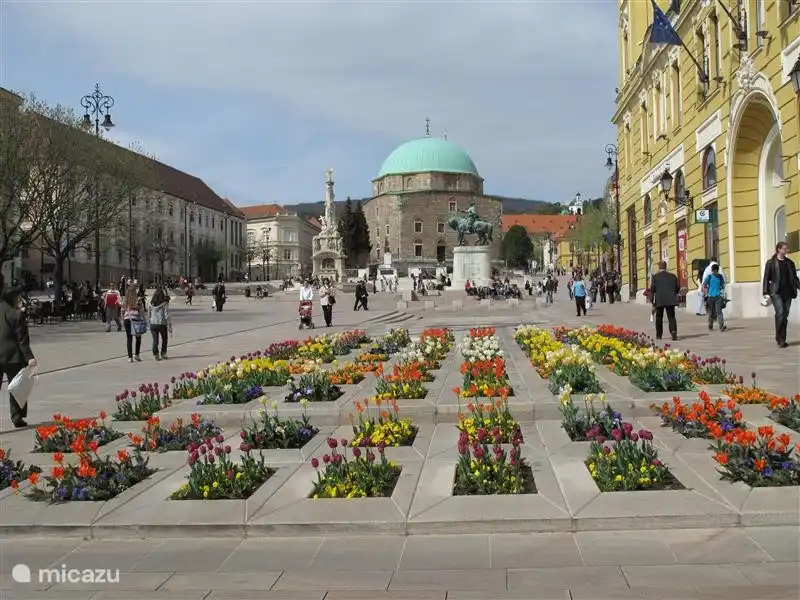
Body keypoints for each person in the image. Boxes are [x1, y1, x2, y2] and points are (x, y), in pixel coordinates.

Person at [0, 287, 37, 427]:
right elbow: (22, 339)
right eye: (19, 297)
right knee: (17, 387)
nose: (20, 300)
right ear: (13, 299)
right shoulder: (17, 315)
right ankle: (17, 417)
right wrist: (29, 358)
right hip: (12, 357)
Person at [762, 241, 800, 348]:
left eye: (787, 248)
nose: (786, 250)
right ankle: (779, 339)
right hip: (775, 292)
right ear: (778, 249)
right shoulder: (771, 263)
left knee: (785, 315)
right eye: (784, 248)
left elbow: (795, 278)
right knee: (780, 312)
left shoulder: (790, 263)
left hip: (788, 292)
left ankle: (782, 338)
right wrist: (765, 292)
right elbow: (766, 278)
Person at [649, 261, 680, 341]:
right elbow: (677, 287)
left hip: (660, 299)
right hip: (670, 299)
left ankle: (659, 335)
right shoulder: (673, 276)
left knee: (659, 317)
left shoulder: (655, 277)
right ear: (665, 267)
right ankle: (673, 332)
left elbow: (652, 289)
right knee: (671, 317)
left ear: (659, 267)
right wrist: (674, 293)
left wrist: (652, 300)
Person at [122, 284, 146, 362]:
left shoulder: (125, 300)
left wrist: (123, 319)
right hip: (136, 319)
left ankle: (130, 357)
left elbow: (122, 311)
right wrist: (143, 319)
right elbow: (141, 310)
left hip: (127, 319)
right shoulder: (138, 300)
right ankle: (137, 355)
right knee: (138, 337)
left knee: (129, 338)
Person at [148, 286, 173, 361]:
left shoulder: (150, 304)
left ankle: (156, 354)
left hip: (153, 324)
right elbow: (167, 315)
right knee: (164, 339)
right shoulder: (164, 304)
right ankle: (163, 353)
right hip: (162, 324)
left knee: (155, 340)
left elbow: (149, 314)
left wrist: (150, 321)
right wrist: (170, 325)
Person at [703, 263, 727, 332]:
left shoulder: (720, 277)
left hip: (718, 297)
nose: (715, 272)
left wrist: (722, 289)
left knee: (719, 311)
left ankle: (721, 326)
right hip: (710, 297)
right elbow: (704, 285)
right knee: (711, 313)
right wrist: (706, 291)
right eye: (713, 271)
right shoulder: (709, 277)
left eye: (716, 270)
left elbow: (722, 285)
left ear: (717, 270)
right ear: (712, 270)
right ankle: (710, 324)